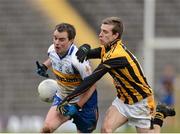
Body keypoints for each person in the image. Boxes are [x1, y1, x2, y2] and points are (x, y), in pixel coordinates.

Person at [57, 17, 175, 133]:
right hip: (122, 100)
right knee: (106, 130)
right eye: (101, 30)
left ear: (115, 35)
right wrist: (85, 47)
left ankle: (159, 115)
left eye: (105, 32)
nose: (100, 34)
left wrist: (68, 99)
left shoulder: (117, 55)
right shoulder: (107, 49)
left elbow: (92, 79)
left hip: (141, 102)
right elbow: (91, 53)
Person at [36, 23, 98, 133]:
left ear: (71, 40)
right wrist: (45, 66)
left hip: (84, 103)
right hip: (63, 98)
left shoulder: (78, 61)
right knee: (46, 129)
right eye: (55, 38)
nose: (56, 43)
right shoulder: (52, 50)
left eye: (61, 39)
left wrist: (77, 106)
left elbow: (92, 85)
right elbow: (53, 58)